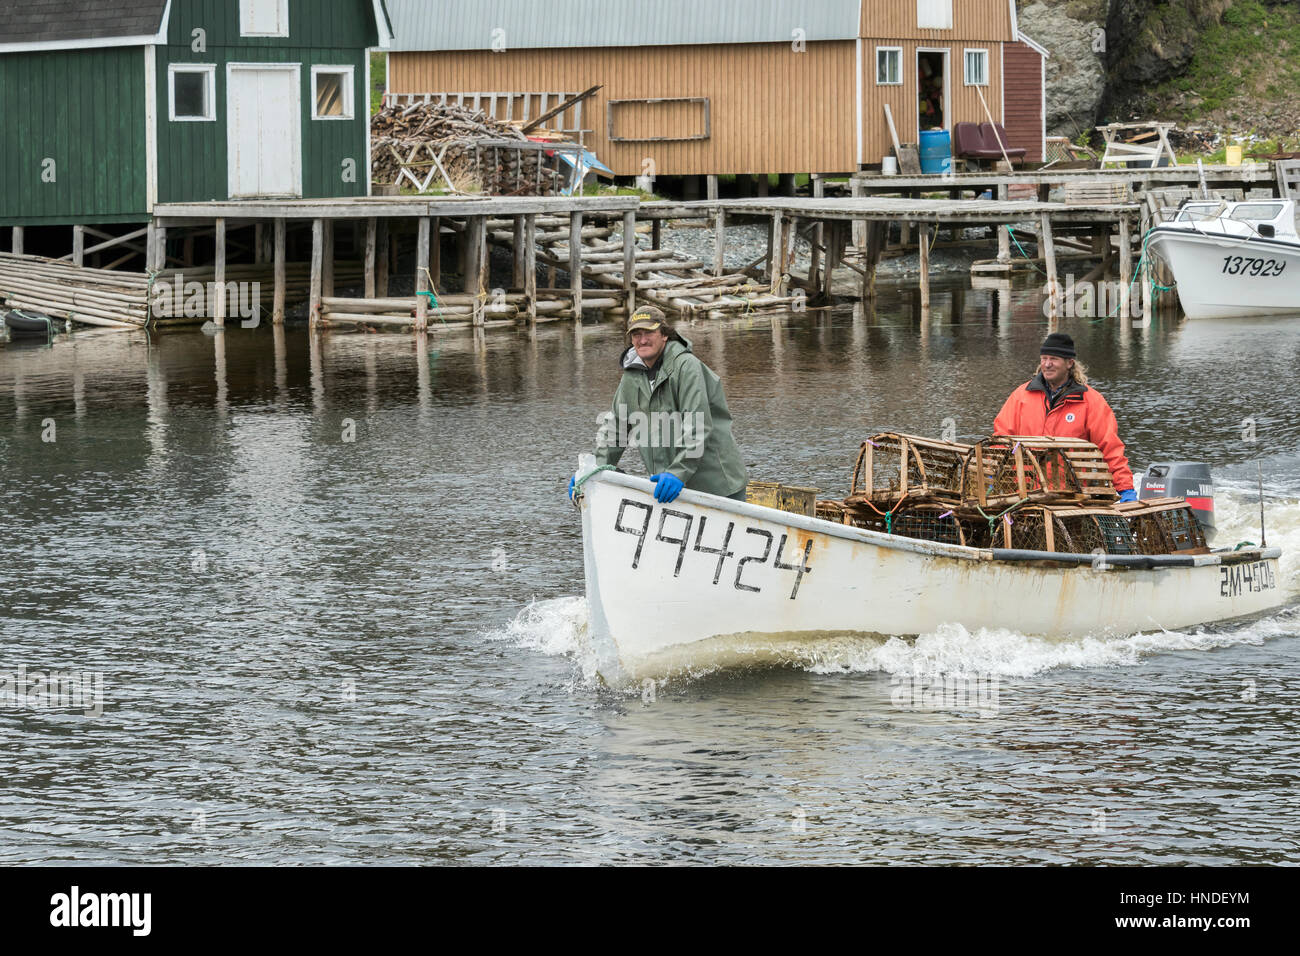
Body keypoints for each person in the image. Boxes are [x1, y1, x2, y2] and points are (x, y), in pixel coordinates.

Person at [569, 306, 747, 504]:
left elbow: (697, 427)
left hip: (718, 488)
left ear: (664, 335)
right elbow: (615, 429)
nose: (642, 340)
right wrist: (593, 470)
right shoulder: (631, 376)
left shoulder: (687, 367)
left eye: (649, 332)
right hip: (670, 490)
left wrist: (677, 473)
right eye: (636, 334)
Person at [993, 332, 1137, 502]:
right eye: (1044, 358)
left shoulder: (1091, 402)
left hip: (1071, 497)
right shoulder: (1020, 396)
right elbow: (1000, 441)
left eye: (1053, 359)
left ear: (1070, 363)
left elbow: (1110, 447)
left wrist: (1125, 487)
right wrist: (991, 477)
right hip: (1024, 495)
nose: (1047, 364)